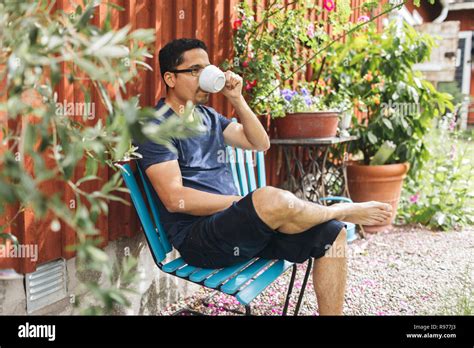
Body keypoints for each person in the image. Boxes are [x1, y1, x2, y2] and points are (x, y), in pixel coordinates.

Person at [135, 38, 392, 315]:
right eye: (195, 70)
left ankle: (332, 221)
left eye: (208, 68)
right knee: (267, 197)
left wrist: (237, 98)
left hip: (241, 231)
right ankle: (337, 210)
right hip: (201, 240)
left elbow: (259, 143)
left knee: (332, 235)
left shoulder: (207, 117)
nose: (206, 76)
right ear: (170, 78)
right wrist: (242, 204)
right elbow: (175, 199)